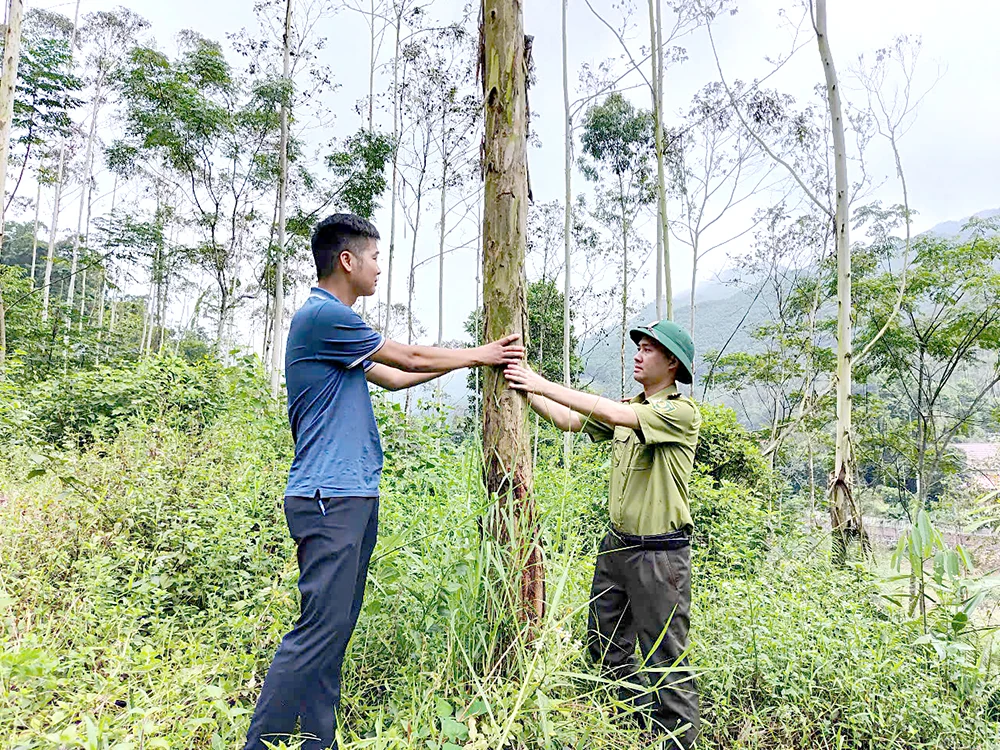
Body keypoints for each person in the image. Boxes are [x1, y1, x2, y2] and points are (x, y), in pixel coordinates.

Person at [243, 213, 525, 750]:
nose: (379, 268)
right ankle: (263, 742)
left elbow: (397, 377)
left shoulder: (337, 330)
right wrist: (482, 352)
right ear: (347, 261)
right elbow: (409, 355)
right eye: (374, 257)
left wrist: (470, 364)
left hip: (349, 496)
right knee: (316, 632)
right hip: (330, 497)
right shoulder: (323, 316)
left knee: (333, 632)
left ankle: (314, 742)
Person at [504, 320, 701, 748]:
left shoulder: (677, 413)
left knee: (666, 656)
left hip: (659, 554)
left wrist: (539, 379)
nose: (638, 354)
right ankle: (631, 726)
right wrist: (522, 384)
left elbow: (614, 414)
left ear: (671, 363)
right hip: (617, 547)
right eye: (640, 347)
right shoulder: (633, 407)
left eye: (649, 350)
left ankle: (677, 740)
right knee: (604, 641)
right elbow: (568, 419)